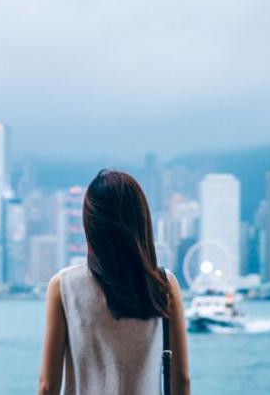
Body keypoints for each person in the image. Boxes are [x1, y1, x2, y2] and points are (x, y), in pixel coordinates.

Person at [38, 169, 190, 395]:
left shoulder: (63, 286)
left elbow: (48, 385)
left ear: (91, 223)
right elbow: (181, 380)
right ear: (140, 219)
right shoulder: (163, 284)